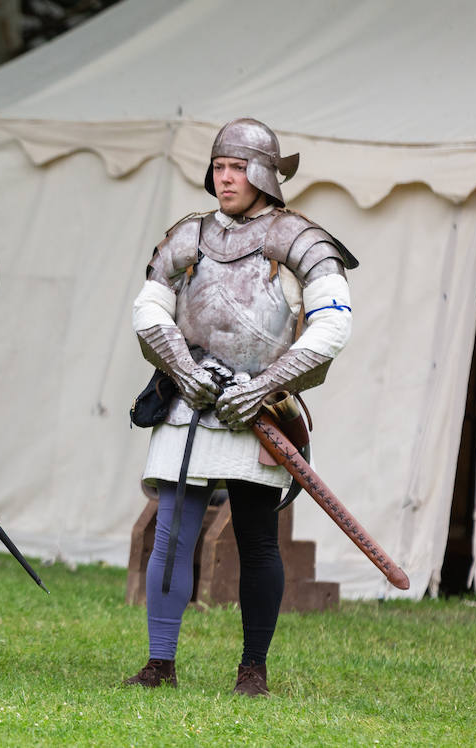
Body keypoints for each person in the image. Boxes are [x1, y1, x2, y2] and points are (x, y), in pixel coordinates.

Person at [125, 118, 356, 697]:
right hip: (190, 402)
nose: (224, 178)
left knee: (256, 539)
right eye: (219, 167)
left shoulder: (301, 238)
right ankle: (160, 662)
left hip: (261, 413)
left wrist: (265, 385)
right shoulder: (188, 235)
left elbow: (333, 323)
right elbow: (149, 310)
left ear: (264, 175)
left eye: (236, 168)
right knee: (173, 534)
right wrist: (182, 368)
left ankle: (253, 668)